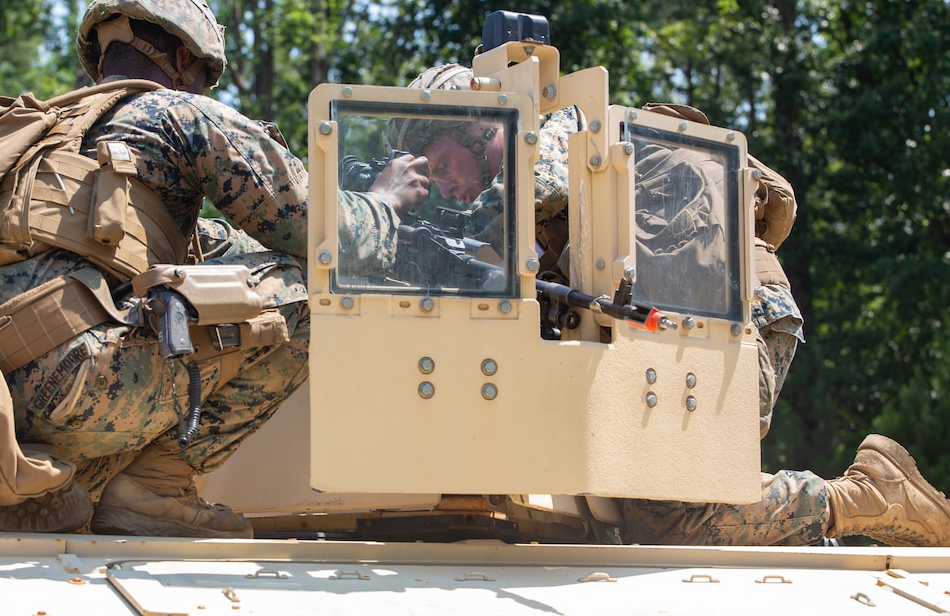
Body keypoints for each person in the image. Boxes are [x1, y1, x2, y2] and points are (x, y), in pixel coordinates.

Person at [356, 62, 950, 547]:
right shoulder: (514, 205)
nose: (444, 186)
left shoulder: (561, 138)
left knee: (670, 513)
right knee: (646, 510)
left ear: (479, 127)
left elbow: (521, 201)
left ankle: (863, 500)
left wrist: (383, 214)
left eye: (440, 166)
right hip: (670, 330)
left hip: (735, 316)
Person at [0, 0, 310, 538]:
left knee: (210, 286)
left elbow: (207, 248)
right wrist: (385, 201)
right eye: (198, 73)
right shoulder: (177, 114)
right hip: (71, 390)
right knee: (307, 294)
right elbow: (315, 230)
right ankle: (152, 490)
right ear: (178, 55)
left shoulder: (42, 142)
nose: (197, 87)